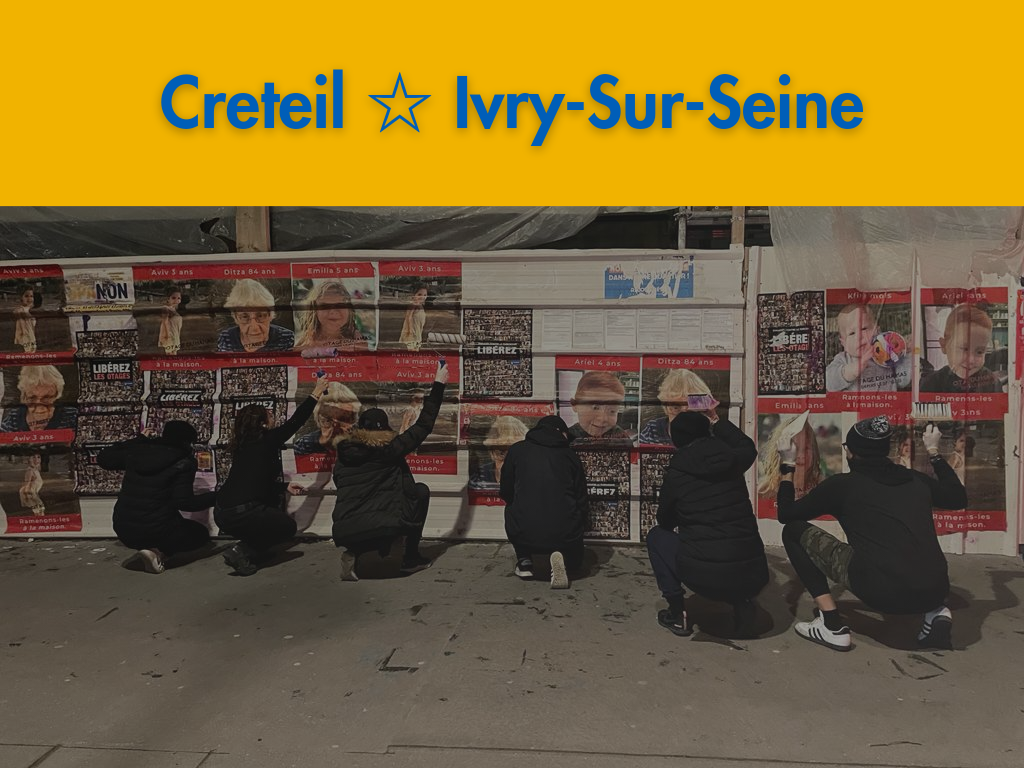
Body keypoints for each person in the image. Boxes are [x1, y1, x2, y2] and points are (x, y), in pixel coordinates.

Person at [777, 416, 967, 652]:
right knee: (911, 559)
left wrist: (787, 464)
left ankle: (832, 626)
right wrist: (934, 452)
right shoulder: (915, 479)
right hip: (937, 589)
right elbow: (957, 498)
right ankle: (935, 612)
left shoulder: (843, 486)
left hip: (882, 593)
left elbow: (786, 514)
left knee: (793, 531)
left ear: (851, 453)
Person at [646, 409, 768, 637]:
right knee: (733, 550)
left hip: (703, 579)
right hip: (753, 575)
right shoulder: (733, 460)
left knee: (656, 537)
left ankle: (677, 613)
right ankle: (742, 604)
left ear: (676, 439)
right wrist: (717, 421)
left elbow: (665, 521)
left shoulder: (677, 473)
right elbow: (747, 446)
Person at [330, 360, 449, 581]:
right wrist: (439, 384)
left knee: (370, 507)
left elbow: (339, 482)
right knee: (419, 491)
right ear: (385, 429)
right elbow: (424, 425)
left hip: (345, 529)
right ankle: (410, 558)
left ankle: (356, 552)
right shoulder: (389, 449)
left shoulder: (344, 452)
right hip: (382, 526)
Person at [215, 375, 330, 575]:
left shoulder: (243, 445)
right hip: (242, 513)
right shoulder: (267, 440)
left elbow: (253, 480)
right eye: (268, 415)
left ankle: (252, 552)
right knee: (286, 527)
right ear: (262, 424)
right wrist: (316, 392)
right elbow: (296, 422)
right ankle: (242, 550)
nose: (272, 417)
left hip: (222, 513)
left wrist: (283, 486)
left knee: (269, 517)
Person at [98, 421, 216, 574]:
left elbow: (103, 458)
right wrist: (217, 497)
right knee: (200, 535)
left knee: (167, 520)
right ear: (188, 442)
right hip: (157, 530)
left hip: (123, 528)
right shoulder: (184, 462)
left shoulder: (138, 451)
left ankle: (151, 549)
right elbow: (185, 503)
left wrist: (139, 439)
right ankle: (157, 552)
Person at [499, 415, 589, 589]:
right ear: (560, 432)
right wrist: (580, 524)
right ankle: (564, 557)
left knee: (514, 507)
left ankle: (524, 561)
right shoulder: (570, 455)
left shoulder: (517, 450)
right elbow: (581, 498)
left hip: (524, 529)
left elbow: (506, 491)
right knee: (575, 556)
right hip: (565, 532)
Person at [826, 304, 911, 392]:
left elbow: (903, 381)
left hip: (886, 400)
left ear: (877, 331)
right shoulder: (843, 359)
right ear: (844, 343)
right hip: (856, 401)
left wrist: (906, 355)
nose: (859, 336)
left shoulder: (888, 353)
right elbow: (828, 383)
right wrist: (851, 371)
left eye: (864, 328)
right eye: (852, 333)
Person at [920, 304, 1001, 392]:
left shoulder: (992, 383)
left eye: (979, 352)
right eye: (964, 349)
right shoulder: (931, 384)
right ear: (944, 346)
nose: (970, 360)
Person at [216, 279, 295, 353]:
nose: (254, 328)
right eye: (244, 317)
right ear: (236, 318)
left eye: (260, 316)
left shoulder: (286, 338)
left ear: (270, 315)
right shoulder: (226, 337)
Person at [638, 368, 713, 445]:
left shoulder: (710, 432)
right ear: (666, 408)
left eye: (691, 409)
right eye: (676, 407)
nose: (683, 416)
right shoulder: (653, 429)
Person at [756, 415, 823, 500]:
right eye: (793, 449)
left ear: (814, 452)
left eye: (806, 448)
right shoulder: (765, 491)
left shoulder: (823, 489)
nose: (801, 456)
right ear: (779, 451)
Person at [294, 280, 371, 353]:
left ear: (349, 311)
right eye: (325, 306)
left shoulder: (357, 343)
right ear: (314, 311)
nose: (333, 311)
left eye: (340, 305)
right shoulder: (305, 343)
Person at [0, 365, 78, 433]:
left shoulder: (72, 417)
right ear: (24, 397)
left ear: (57, 395)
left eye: (47, 398)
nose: (39, 408)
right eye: (32, 398)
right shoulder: (14, 417)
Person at [292, 381, 362, 455]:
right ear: (318, 420)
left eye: (343, 419)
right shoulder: (304, 445)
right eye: (328, 420)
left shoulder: (362, 443)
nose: (335, 427)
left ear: (353, 419)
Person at [567, 371, 631, 442]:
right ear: (575, 405)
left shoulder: (621, 438)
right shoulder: (566, 437)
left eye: (612, 411)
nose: (603, 419)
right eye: (595, 408)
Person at [470, 415, 529, 489]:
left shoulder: (531, 477)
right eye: (501, 453)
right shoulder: (480, 476)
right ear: (492, 451)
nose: (506, 463)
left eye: (515, 456)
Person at [399, 284, 428, 350]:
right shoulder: (413, 304)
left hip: (417, 333)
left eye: (425, 295)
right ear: (414, 295)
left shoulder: (420, 305)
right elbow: (408, 316)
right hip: (411, 334)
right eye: (419, 294)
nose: (422, 297)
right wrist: (410, 332)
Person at [158, 287, 183, 355]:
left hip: (175, 336)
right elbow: (165, 322)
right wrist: (168, 337)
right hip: (169, 336)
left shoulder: (174, 310)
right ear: (168, 299)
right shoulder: (166, 308)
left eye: (179, 298)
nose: (176, 300)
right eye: (173, 298)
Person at [13, 284, 37, 353]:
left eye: (31, 296)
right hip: (26, 342)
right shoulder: (21, 311)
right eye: (26, 296)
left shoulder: (28, 310)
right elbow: (25, 331)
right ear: (21, 297)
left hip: (31, 340)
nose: (29, 299)